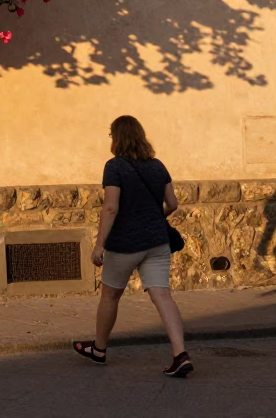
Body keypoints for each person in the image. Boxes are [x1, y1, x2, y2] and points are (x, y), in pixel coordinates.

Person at [74, 116, 192, 377]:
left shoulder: (114, 167)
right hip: (157, 242)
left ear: (118, 137)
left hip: (124, 244)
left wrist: (99, 245)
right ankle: (179, 353)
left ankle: (99, 349)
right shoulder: (157, 166)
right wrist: (151, 217)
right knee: (162, 296)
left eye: (111, 135)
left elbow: (111, 207)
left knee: (110, 295)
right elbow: (172, 204)